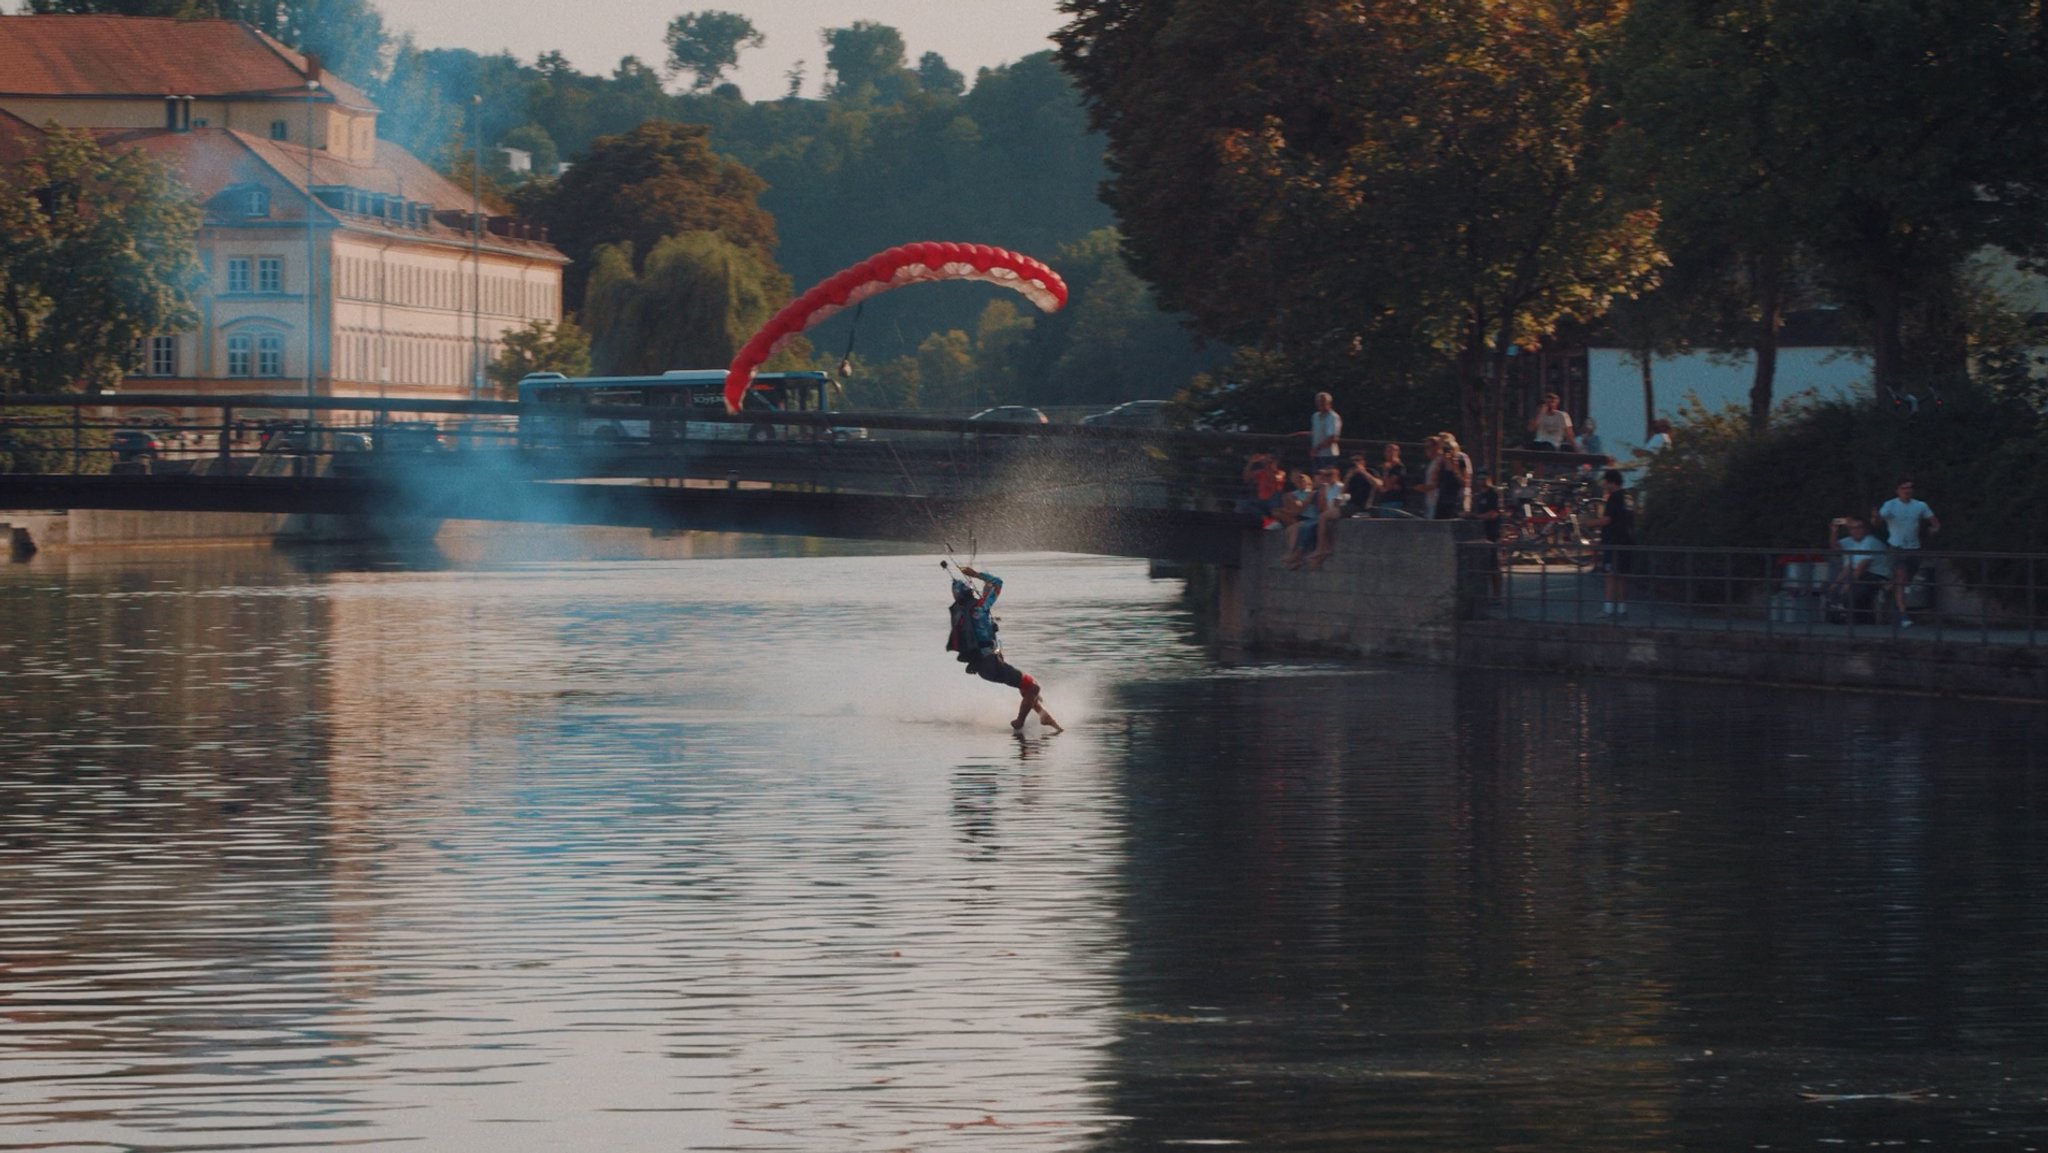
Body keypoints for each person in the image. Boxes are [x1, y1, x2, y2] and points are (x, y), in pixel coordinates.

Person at [945, 564, 1061, 731]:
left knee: (1026, 687)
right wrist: (976, 574)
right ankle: (1019, 721)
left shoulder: (962, 614)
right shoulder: (979, 608)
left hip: (984, 667)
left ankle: (1044, 715)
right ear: (970, 592)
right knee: (1034, 688)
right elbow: (998, 582)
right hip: (991, 663)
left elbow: (980, 625)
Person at [1874, 478, 1940, 628]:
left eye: (1909, 488)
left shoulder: (1920, 505)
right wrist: (1875, 517)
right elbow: (1878, 521)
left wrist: (1934, 529)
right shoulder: (1890, 505)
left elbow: (1935, 522)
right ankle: (1904, 616)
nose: (1907, 491)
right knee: (1901, 579)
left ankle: (1887, 588)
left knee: (1905, 580)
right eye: (1904, 488)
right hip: (1896, 547)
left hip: (1914, 548)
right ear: (1898, 490)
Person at [1584, 468, 1635, 617]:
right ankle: (1622, 609)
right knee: (1621, 576)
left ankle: (1608, 609)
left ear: (1611, 482)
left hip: (1614, 542)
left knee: (1610, 575)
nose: (1604, 486)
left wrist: (1589, 523)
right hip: (1627, 541)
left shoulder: (1614, 497)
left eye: (1605, 482)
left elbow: (1607, 520)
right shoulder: (1628, 497)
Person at [1827, 515, 1890, 624]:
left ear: (1866, 529)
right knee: (1833, 588)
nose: (1855, 531)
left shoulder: (1870, 542)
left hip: (1878, 574)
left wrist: (1846, 586)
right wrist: (1834, 531)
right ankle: (1839, 616)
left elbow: (1862, 567)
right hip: (1863, 573)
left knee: (1852, 591)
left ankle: (1855, 619)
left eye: (1859, 528)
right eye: (1852, 528)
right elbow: (1836, 549)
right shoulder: (1850, 541)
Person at [1468, 469, 1504, 597]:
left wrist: (1476, 517)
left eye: (1484, 477)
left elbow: (1494, 514)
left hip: (1492, 532)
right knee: (1483, 565)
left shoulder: (1493, 493)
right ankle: (1484, 594)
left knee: (1494, 564)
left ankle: (1497, 594)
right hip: (1481, 532)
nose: (1481, 480)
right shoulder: (1479, 495)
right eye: (1479, 478)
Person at [1421, 432, 1471, 520]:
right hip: (1442, 497)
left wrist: (1454, 466)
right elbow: (1434, 479)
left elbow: (1465, 482)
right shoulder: (1440, 459)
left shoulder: (1460, 458)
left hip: (1457, 497)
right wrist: (1439, 463)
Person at [1236, 451, 1288, 521]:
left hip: (1274, 501)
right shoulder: (1260, 472)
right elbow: (1246, 478)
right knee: (1243, 503)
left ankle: (1275, 520)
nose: (1268, 461)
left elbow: (1274, 479)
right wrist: (1251, 463)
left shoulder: (1281, 473)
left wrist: (1269, 463)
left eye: (1271, 459)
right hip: (1261, 500)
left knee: (1277, 495)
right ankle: (1266, 520)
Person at [1370, 442, 1409, 517]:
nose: (1390, 454)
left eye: (1392, 451)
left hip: (1395, 501)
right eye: (1388, 451)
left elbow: (1388, 485)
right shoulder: (1383, 466)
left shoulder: (1399, 467)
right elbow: (1381, 485)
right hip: (1384, 500)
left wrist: (1386, 472)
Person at [1308, 391, 1342, 471]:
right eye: (1319, 401)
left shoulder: (1333, 417)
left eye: (1323, 401)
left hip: (1329, 455)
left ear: (1329, 403)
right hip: (1317, 455)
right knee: (1318, 478)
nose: (1321, 404)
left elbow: (1332, 437)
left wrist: (1316, 449)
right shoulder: (1315, 416)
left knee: (1328, 478)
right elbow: (1318, 432)